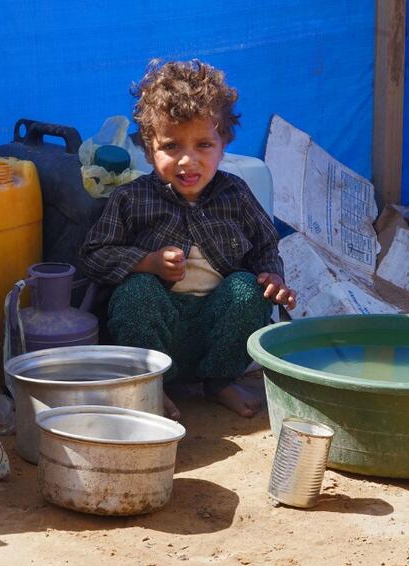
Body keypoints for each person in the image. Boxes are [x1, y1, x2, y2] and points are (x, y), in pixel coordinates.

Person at [79, 58, 296, 420]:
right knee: (135, 294)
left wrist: (273, 278)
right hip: (159, 327)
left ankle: (220, 381)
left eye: (203, 145)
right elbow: (92, 254)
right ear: (148, 149)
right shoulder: (132, 198)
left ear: (224, 143)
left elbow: (265, 245)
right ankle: (152, 387)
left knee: (247, 288)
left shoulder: (236, 194)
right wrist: (145, 263)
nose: (187, 161)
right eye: (171, 146)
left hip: (218, 324)